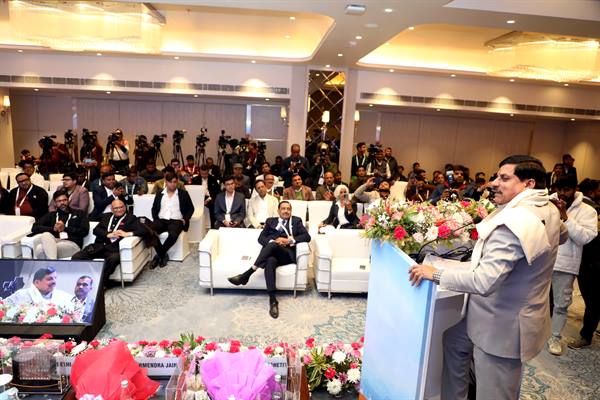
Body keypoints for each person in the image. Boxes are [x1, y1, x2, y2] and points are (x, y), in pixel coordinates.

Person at [408, 155, 567, 400]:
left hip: (503, 325)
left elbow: (483, 282)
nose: (494, 183)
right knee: (453, 342)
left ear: (529, 184)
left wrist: (435, 273)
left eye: (504, 178)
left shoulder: (514, 224)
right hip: (499, 310)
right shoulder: (550, 208)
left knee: (495, 392)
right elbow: (562, 236)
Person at [227, 201, 311, 318]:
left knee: (272, 245)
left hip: (286, 255)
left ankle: (247, 274)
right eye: (283, 209)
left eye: (288, 209)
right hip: (272, 253)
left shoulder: (296, 221)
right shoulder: (270, 221)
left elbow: (307, 236)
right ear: (278, 211)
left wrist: (289, 240)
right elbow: (261, 238)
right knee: (270, 261)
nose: (286, 211)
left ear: (291, 211)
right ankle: (273, 300)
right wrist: (274, 241)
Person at [547, 175, 597, 355]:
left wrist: (566, 217)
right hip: (542, 260)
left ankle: (555, 337)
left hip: (566, 264)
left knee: (561, 304)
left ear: (575, 189)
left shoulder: (587, 211)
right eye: (559, 189)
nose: (562, 193)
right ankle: (535, 332)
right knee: (534, 300)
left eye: (567, 190)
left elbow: (585, 238)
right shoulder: (547, 203)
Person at [72, 199, 146, 283]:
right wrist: (107, 234)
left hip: (113, 249)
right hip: (98, 246)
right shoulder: (106, 217)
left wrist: (128, 234)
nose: (119, 210)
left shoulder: (131, 218)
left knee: (114, 258)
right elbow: (96, 230)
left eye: (121, 207)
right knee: (77, 257)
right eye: (116, 208)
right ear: (112, 209)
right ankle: (87, 278)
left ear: (125, 207)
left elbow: (143, 230)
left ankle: (102, 283)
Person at [568, 178, 600, 349]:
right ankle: (587, 334)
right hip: (589, 260)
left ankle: (587, 335)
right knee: (592, 299)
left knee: (593, 300)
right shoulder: (590, 209)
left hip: (590, 261)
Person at [150, 172, 195, 269]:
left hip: (176, 220)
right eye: (170, 182)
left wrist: (185, 219)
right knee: (150, 232)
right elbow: (154, 208)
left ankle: (158, 256)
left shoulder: (183, 194)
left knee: (173, 235)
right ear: (166, 182)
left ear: (177, 182)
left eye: (174, 182)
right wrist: (156, 219)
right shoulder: (160, 194)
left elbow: (191, 208)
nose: (172, 184)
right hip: (161, 219)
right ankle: (162, 255)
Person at [29, 190, 89, 260]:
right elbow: (34, 227)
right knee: (45, 235)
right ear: (55, 203)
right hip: (56, 241)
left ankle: (51, 264)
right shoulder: (52, 215)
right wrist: (53, 229)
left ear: (68, 200)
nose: (62, 203)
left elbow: (84, 231)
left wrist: (65, 228)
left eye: (64, 200)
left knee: (40, 250)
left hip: (72, 244)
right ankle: (52, 263)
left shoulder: (79, 213)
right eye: (59, 201)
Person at [5, 267, 72, 309]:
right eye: (49, 279)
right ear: (37, 282)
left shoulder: (62, 296)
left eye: (55, 278)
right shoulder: (21, 295)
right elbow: (3, 306)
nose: (54, 281)